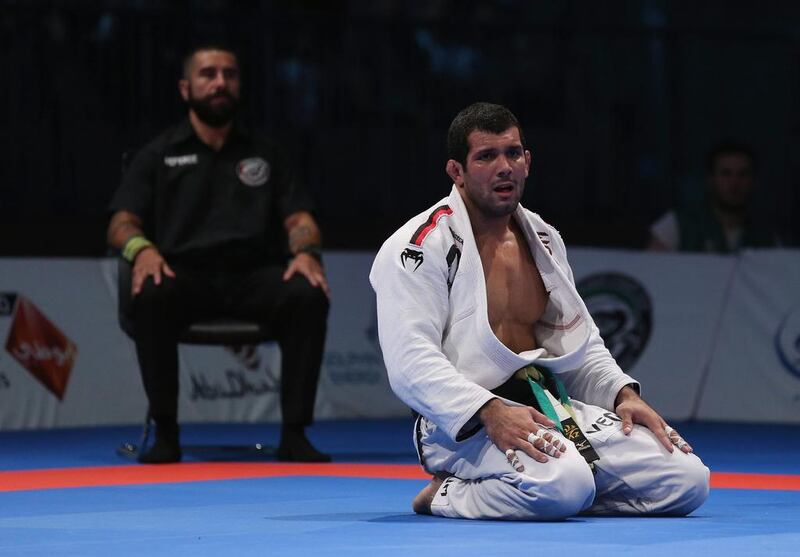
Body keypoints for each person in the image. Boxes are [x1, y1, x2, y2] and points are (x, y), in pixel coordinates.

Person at [369, 102, 709, 520]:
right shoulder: (418, 248)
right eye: (486, 157)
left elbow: (577, 344)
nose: (504, 167)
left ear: (527, 162)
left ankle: (566, 488)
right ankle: (445, 493)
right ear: (457, 171)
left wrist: (621, 393)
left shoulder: (544, 239)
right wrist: (489, 411)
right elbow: (410, 364)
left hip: (548, 405)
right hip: (462, 422)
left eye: (512, 153)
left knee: (687, 479)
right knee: (564, 483)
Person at [107, 45, 331, 464]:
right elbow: (121, 224)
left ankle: (295, 433)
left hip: (255, 276)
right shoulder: (157, 154)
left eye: (229, 74)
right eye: (208, 74)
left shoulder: (265, 152)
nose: (220, 82)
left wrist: (306, 251)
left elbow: (300, 218)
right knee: (151, 295)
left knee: (308, 293)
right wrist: (142, 251)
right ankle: (166, 434)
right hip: (184, 275)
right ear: (185, 87)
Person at [648, 142, 779, 253]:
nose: (735, 183)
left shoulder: (767, 237)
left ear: (754, 181)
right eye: (725, 174)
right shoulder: (677, 225)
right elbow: (652, 272)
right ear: (711, 180)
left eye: (743, 174)